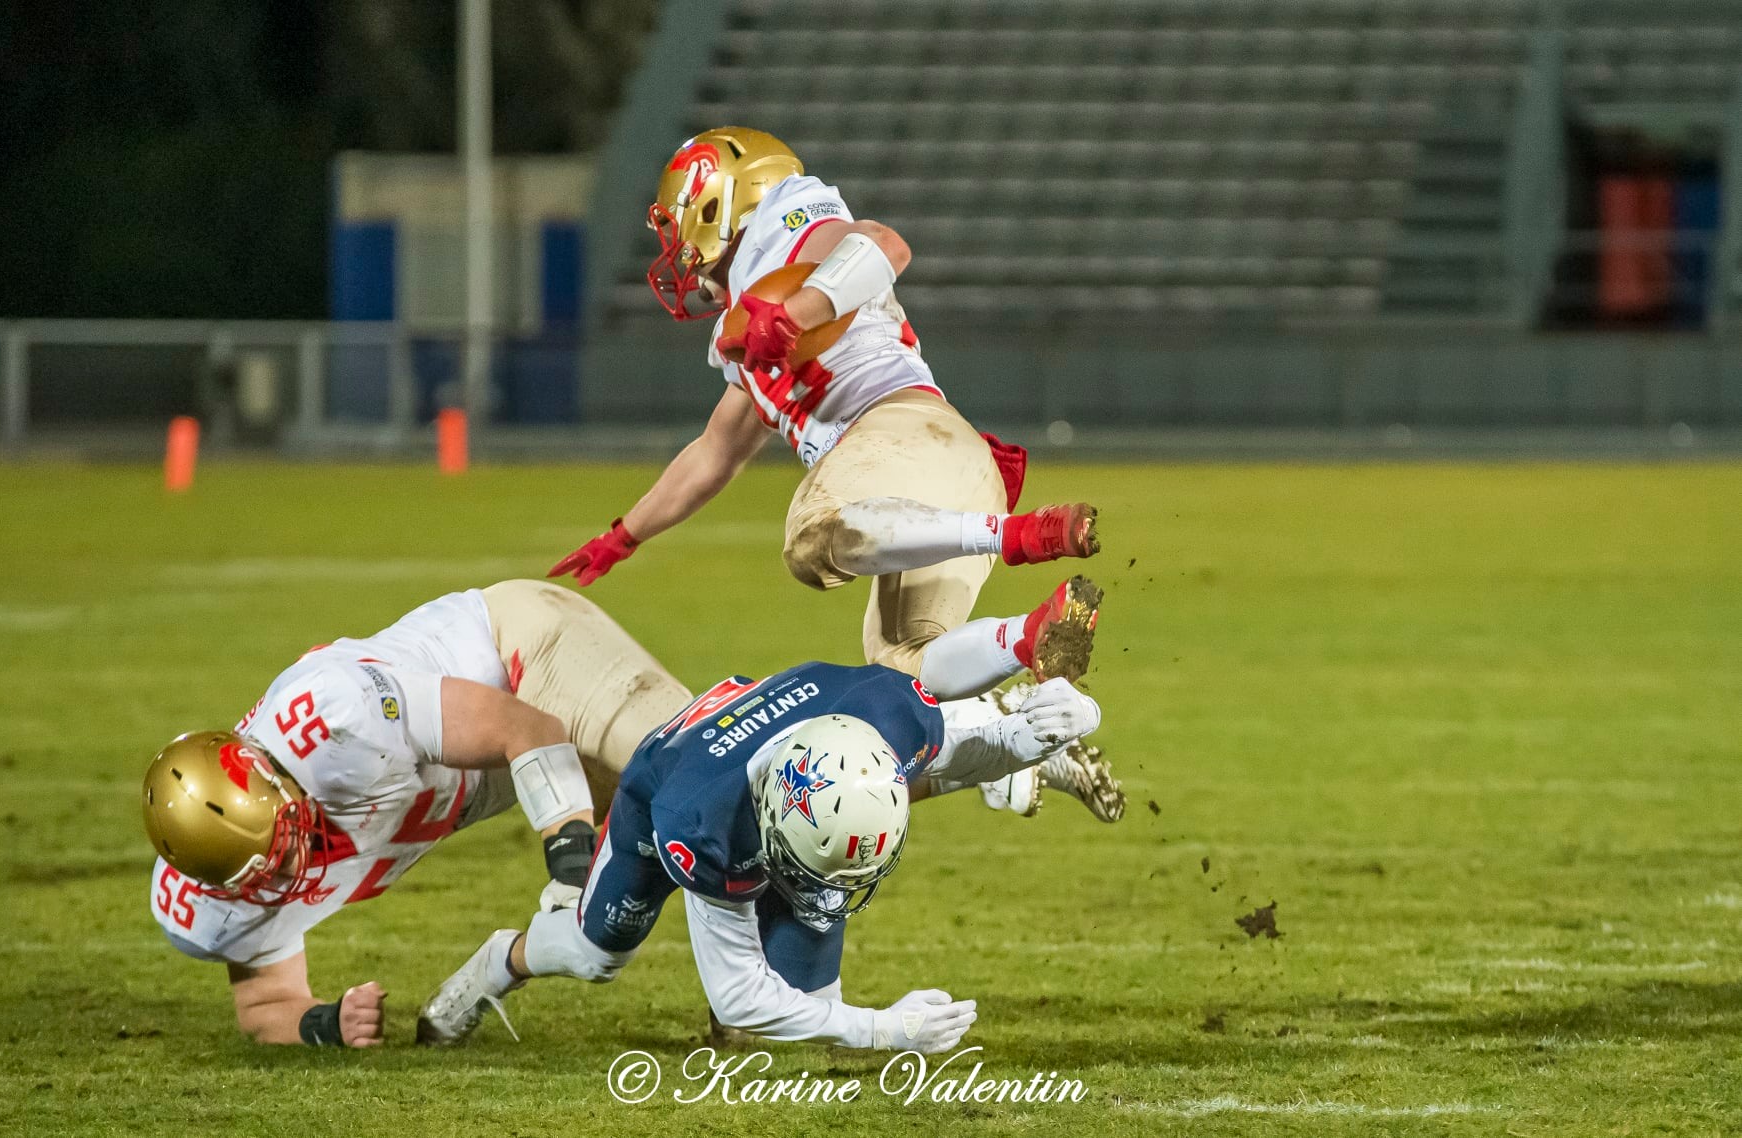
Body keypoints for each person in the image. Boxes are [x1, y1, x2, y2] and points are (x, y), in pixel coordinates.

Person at [549, 126, 1102, 697]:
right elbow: (713, 453)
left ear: (717, 203)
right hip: (950, 472)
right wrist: (624, 536)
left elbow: (882, 245)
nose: (676, 252)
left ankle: (1011, 535)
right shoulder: (751, 326)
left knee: (812, 539)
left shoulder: (782, 227)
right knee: (905, 676)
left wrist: (795, 314)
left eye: (677, 223)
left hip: (899, 429)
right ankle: (1033, 662)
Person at [417, 662, 1103, 1053]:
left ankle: (732, 1027)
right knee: (598, 954)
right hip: (663, 785)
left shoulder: (887, 715)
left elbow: (956, 750)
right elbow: (739, 992)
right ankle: (496, 964)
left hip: (770, 771)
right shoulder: (702, 825)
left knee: (808, 1002)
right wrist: (882, 1029)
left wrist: (1034, 733)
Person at [141, 580, 688, 1046]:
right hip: (496, 773)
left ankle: (753, 1006)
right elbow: (264, 1005)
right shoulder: (207, 897)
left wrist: (570, 867)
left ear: (278, 781)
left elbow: (528, 730)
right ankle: (499, 968)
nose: (287, 873)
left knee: (700, 782)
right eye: (262, 873)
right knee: (602, 934)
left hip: (519, 654)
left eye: (284, 843)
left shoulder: (338, 718)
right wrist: (327, 1024)